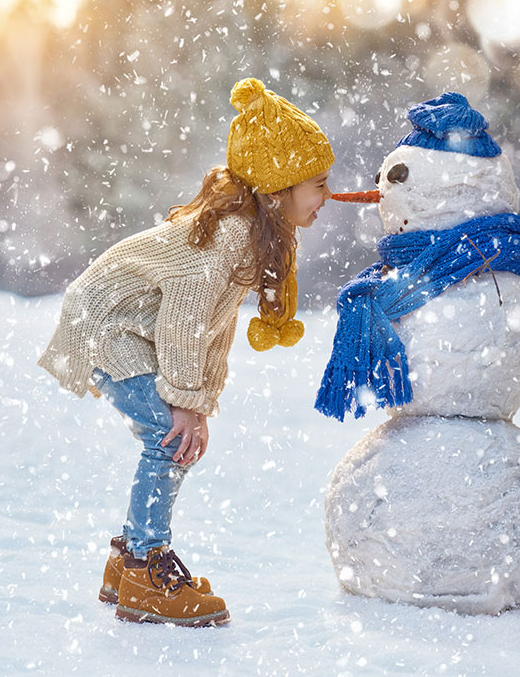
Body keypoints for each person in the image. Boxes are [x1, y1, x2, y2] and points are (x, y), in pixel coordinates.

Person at [37, 77, 333, 627]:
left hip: (131, 328)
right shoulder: (230, 236)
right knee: (168, 439)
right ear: (279, 187)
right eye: (317, 183)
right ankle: (147, 569)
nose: (327, 195)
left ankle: (126, 563)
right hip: (109, 325)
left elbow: (211, 329)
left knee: (175, 435)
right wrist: (184, 403)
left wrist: (199, 400)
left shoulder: (252, 234)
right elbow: (183, 321)